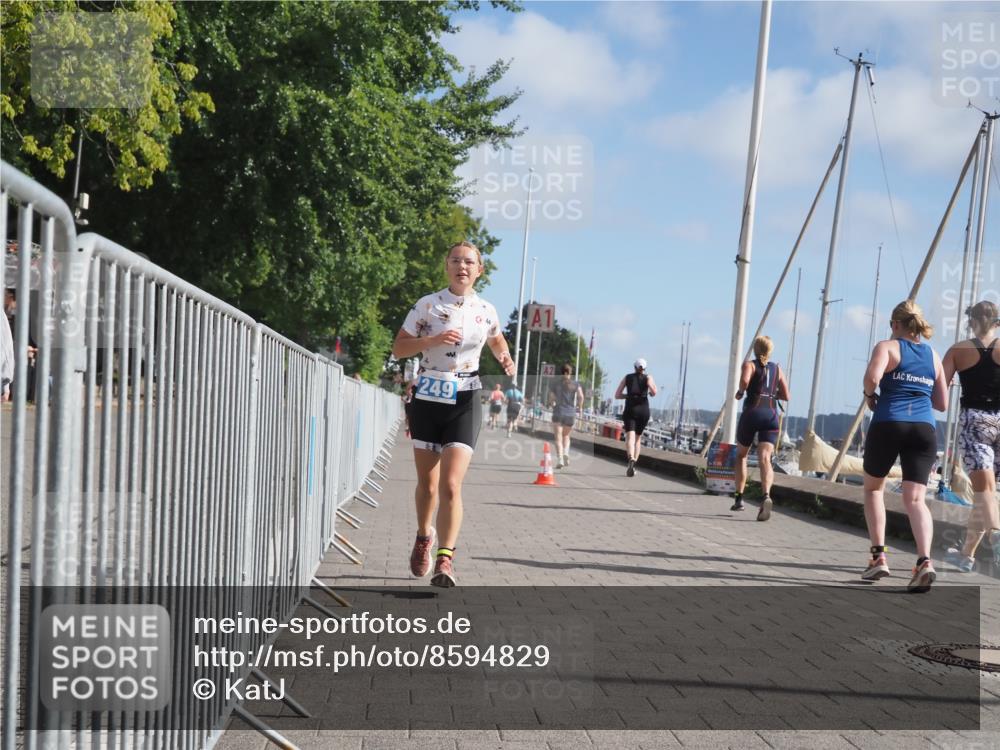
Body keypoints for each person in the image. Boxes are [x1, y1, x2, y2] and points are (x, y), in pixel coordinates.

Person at [391, 241, 516, 587]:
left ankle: (445, 560)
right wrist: (432, 341)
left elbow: (496, 340)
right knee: (428, 486)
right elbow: (399, 348)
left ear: (480, 270)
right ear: (446, 266)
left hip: (465, 395)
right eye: (456, 261)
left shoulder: (487, 309)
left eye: (469, 262)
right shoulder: (427, 305)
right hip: (429, 394)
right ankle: (423, 536)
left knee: (450, 484)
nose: (462, 266)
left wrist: (504, 357)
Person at [860, 300, 948, 591]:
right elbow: (942, 403)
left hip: (889, 422)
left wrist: (870, 395)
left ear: (896, 325)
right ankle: (924, 561)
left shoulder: (887, 347)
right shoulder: (933, 355)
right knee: (915, 500)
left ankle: (878, 558)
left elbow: (873, 378)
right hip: (924, 429)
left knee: (874, 488)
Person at [941, 301, 1000, 572]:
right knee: (984, 493)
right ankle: (966, 555)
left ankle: (997, 534)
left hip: (975, 419)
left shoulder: (959, 350)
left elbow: (938, 393)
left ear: (971, 321)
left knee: (984, 489)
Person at [732, 336, 790, 520]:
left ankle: (739, 498)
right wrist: (772, 394)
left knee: (741, 455)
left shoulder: (749, 364)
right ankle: (766, 496)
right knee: (765, 458)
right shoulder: (777, 369)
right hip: (771, 414)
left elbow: (744, 381)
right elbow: (786, 395)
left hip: (753, 412)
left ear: (756, 349)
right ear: (770, 350)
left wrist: (741, 393)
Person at [614, 358, 658, 476]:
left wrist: (628, 396)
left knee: (630, 437)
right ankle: (633, 465)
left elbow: (617, 395)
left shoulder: (627, 377)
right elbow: (654, 392)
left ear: (634, 367)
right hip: (643, 410)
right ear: (645, 368)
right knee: (638, 439)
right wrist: (648, 389)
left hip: (630, 409)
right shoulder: (648, 377)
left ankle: (631, 458)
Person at [549, 364, 584, 468]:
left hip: (558, 412)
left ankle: (560, 459)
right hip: (570, 413)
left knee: (558, 437)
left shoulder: (556, 384)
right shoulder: (576, 384)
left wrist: (552, 404)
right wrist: (579, 407)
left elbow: (551, 397)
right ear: (570, 372)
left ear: (562, 372)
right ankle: (566, 453)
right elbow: (581, 397)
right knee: (566, 436)